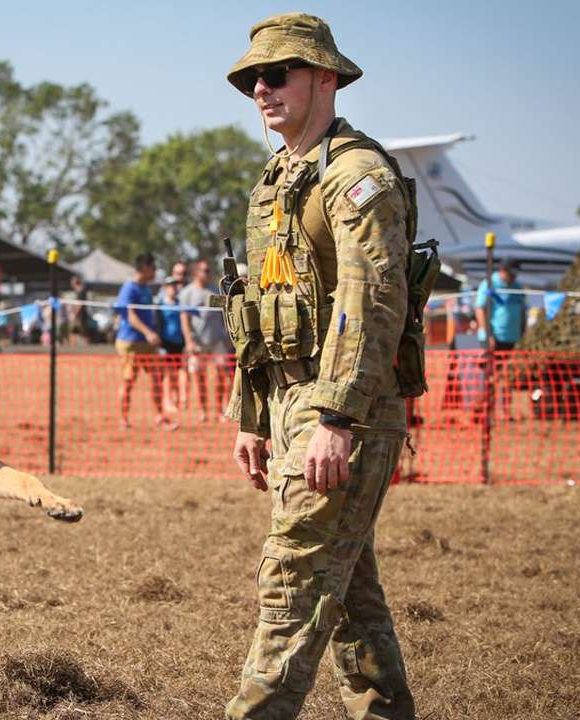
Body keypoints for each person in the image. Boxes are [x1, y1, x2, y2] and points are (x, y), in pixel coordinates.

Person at [222, 14, 416, 719]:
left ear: (326, 78)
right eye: (252, 80)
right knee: (349, 597)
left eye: (278, 75)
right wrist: (252, 416)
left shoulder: (356, 175)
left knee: (293, 579)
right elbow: (260, 304)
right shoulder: (280, 177)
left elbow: (373, 303)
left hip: (344, 409)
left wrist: (337, 415)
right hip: (290, 403)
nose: (262, 90)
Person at [114, 252, 176, 431]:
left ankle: (159, 417)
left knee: (157, 379)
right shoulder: (129, 288)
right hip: (130, 343)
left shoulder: (147, 289)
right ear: (145, 268)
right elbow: (129, 315)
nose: (155, 271)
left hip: (147, 344)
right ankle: (123, 419)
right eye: (154, 268)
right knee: (128, 381)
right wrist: (148, 333)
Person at [179, 259, 234, 423]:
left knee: (222, 375)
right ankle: (203, 411)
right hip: (198, 343)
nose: (209, 273)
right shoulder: (187, 293)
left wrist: (228, 336)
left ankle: (219, 410)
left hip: (218, 340)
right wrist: (189, 342)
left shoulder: (215, 290)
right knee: (199, 377)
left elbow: (224, 313)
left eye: (209, 270)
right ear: (196, 273)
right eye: (206, 270)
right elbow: (184, 318)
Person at [475, 260, 526, 351]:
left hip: (514, 339)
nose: (513, 277)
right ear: (502, 270)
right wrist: (488, 335)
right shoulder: (489, 284)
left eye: (515, 275)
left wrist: (523, 333)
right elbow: (480, 309)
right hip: (493, 339)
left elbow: (522, 311)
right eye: (510, 274)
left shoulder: (517, 286)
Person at [157, 276, 188, 414]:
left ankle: (177, 399)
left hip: (179, 343)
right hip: (166, 343)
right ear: (165, 287)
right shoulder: (160, 304)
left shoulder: (179, 304)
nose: (173, 288)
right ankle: (168, 401)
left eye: (175, 285)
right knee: (168, 374)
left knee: (178, 373)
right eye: (170, 285)